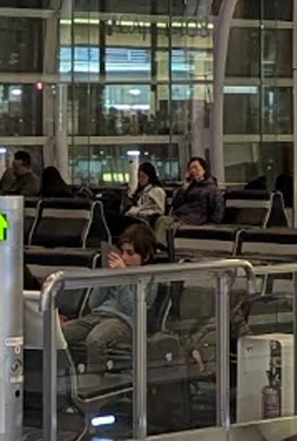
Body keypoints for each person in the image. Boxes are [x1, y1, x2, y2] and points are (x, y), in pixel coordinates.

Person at [62, 223, 158, 371]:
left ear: (145, 256)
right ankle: (65, 378)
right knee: (60, 333)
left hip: (124, 322)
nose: (124, 258)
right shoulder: (116, 270)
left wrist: (122, 278)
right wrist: (106, 277)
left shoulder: (150, 278)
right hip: (97, 315)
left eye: (130, 253)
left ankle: (96, 384)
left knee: (96, 339)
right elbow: (93, 304)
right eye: (122, 252)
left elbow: (132, 310)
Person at [169, 156, 222, 226]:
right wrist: (184, 187)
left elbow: (218, 210)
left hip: (195, 219)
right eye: (190, 169)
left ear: (204, 170)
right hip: (181, 216)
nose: (193, 171)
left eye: (195, 167)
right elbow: (175, 204)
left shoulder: (211, 189)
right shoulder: (189, 187)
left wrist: (211, 225)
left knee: (166, 223)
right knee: (161, 220)